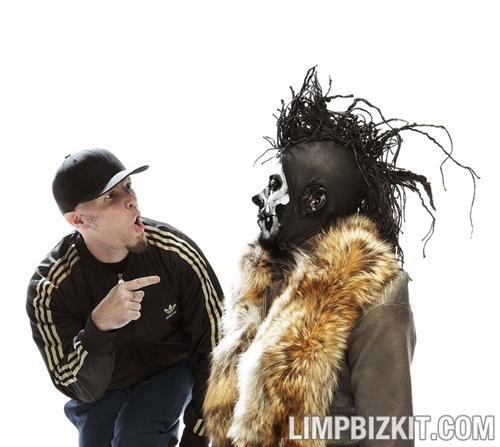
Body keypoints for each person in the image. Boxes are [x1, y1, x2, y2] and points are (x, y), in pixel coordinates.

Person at [202, 67, 478, 446]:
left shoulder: (376, 299)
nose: (259, 197)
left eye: (275, 185)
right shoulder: (263, 280)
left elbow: (389, 435)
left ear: (313, 200)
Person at [26, 148, 224, 447]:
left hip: (171, 370)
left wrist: (197, 435)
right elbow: (73, 384)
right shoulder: (50, 287)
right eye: (111, 196)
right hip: (102, 389)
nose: (132, 199)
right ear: (79, 220)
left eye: (128, 186)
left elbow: (218, 349)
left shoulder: (175, 254)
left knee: (136, 437)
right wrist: (98, 328)